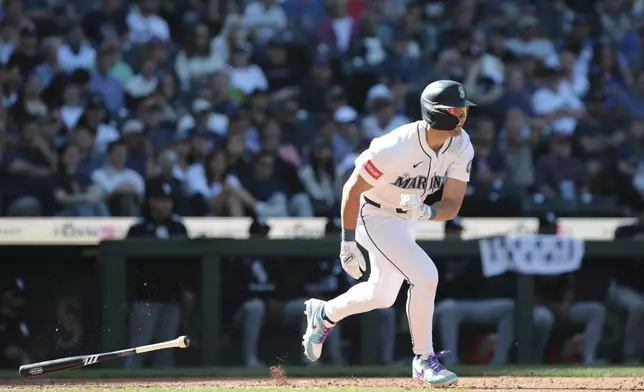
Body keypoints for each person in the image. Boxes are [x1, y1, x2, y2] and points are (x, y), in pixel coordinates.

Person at [302, 80, 476, 385]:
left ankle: (324, 314)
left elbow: (451, 206)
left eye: (463, 110)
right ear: (436, 114)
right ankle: (424, 358)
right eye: (456, 111)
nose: (462, 117)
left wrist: (427, 212)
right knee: (426, 275)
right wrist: (347, 241)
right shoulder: (396, 145)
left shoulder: (461, 145)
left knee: (381, 294)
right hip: (374, 213)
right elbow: (352, 189)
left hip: (407, 218)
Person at [124, 178, 192, 369]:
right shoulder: (137, 229)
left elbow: (188, 264)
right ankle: (127, 384)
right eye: (161, 200)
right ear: (151, 201)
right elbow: (128, 267)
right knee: (140, 344)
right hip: (144, 297)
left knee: (168, 345)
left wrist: (187, 288)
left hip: (172, 296)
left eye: (168, 200)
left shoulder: (179, 227)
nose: (166, 204)